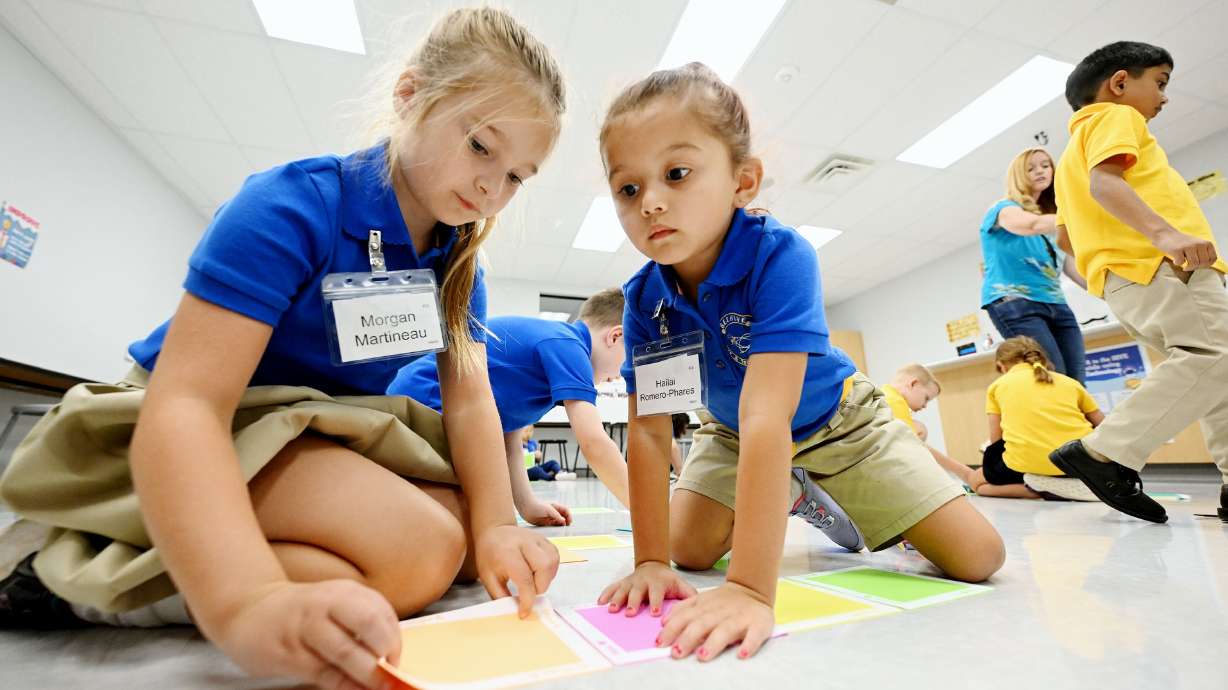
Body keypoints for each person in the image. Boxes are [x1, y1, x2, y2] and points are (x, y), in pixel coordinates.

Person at [0, 8, 566, 689]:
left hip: (306, 431)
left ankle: (185, 557)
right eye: (481, 147)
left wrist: (498, 524)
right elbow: (185, 408)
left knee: (464, 543)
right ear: (411, 96)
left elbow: (472, 403)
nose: (491, 189)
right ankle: (69, 575)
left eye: (516, 177)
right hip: (181, 428)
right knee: (422, 548)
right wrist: (247, 602)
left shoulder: (456, 264)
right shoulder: (291, 204)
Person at [593, 62, 1004, 663]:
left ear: (743, 181)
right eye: (628, 189)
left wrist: (751, 590)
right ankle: (784, 490)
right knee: (687, 549)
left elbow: (770, 416)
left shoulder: (780, 256)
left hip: (842, 426)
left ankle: (829, 490)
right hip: (733, 433)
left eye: (677, 174)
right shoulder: (644, 299)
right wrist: (650, 562)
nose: (651, 203)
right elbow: (652, 431)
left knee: (978, 558)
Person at [1049, 41, 1228, 524]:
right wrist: (1167, 236)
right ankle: (1102, 452)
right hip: (1163, 264)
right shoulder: (1115, 117)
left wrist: (1109, 277)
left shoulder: (1068, 158)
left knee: (1216, 378)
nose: (1164, 98)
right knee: (1215, 357)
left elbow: (1067, 236)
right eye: (1161, 83)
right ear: (1120, 83)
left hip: (1127, 278)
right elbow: (1107, 184)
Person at [388, 288, 631, 524]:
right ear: (615, 336)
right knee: (463, 514)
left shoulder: (557, 350)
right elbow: (594, 442)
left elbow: (509, 443)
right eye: (628, 357)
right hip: (425, 398)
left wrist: (527, 506)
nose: (622, 374)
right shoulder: (569, 345)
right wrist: (647, 512)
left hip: (425, 401)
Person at [980, 147, 1088, 383]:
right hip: (1015, 303)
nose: (1040, 171)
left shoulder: (1053, 218)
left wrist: (1111, 291)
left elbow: (1071, 266)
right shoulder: (1003, 210)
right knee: (1053, 377)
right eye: (1030, 168)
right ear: (1019, 175)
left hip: (1056, 303)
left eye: (1045, 165)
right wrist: (1077, 214)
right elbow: (1032, 225)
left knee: (1076, 380)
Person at [968, 337, 1102, 501]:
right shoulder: (1070, 382)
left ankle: (1037, 490)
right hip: (1081, 463)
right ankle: (1071, 482)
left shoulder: (997, 386)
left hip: (1028, 465)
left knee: (976, 483)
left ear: (1002, 365)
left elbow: (996, 439)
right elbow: (1103, 425)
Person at [881, 364, 973, 483]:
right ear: (913, 384)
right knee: (919, 430)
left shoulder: (885, 393)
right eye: (926, 398)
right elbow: (913, 445)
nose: (925, 405)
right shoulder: (896, 401)